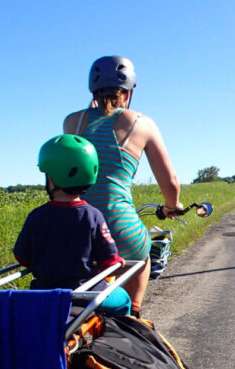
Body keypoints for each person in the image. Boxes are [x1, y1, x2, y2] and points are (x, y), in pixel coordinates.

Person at [63, 55, 183, 317]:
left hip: (75, 227)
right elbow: (171, 182)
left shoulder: (72, 122)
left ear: (93, 91)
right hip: (120, 227)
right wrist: (173, 206)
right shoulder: (142, 123)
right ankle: (134, 316)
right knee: (142, 255)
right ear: (128, 93)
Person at [13, 135, 121, 291]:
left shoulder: (36, 216)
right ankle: (131, 313)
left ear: (51, 177)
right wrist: (117, 262)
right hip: (85, 292)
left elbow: (22, 258)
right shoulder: (93, 215)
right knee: (123, 300)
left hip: (43, 294)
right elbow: (109, 259)